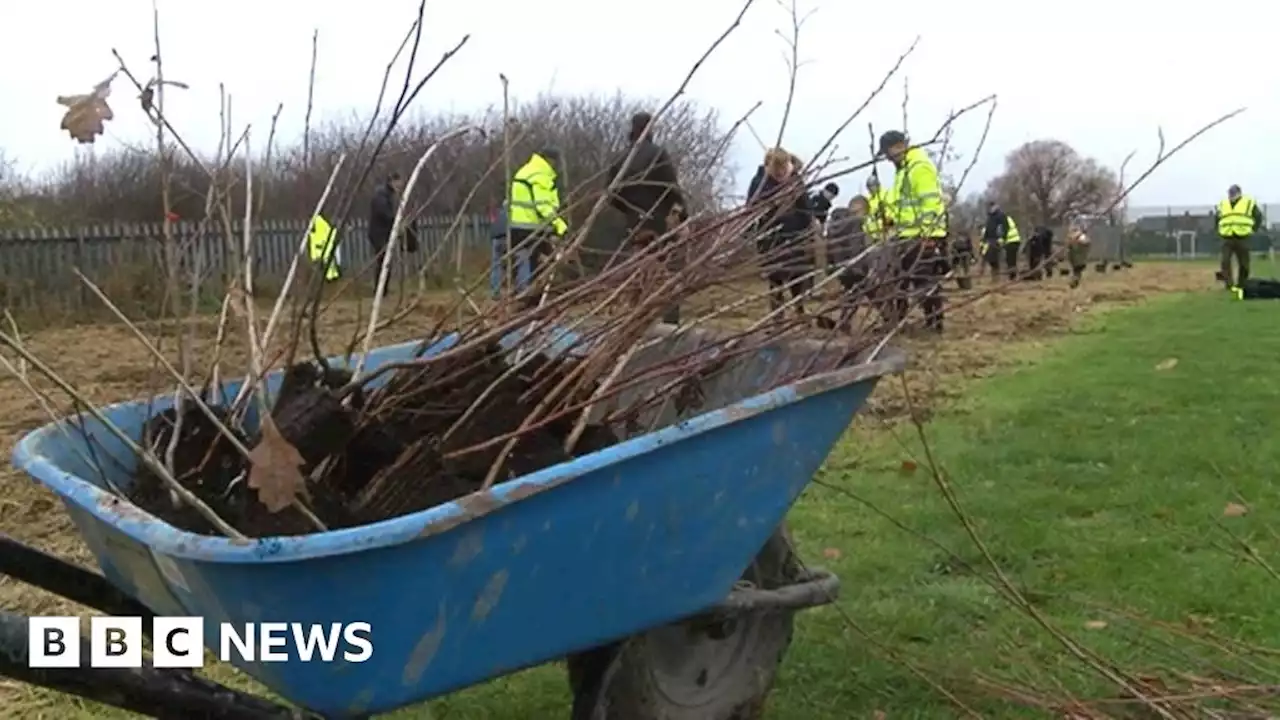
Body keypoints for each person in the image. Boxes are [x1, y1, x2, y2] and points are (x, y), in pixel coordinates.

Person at [608, 111, 687, 324]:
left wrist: (629, 209)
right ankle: (669, 321)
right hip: (659, 221)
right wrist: (682, 215)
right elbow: (671, 187)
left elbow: (610, 194)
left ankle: (634, 318)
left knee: (637, 271)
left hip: (634, 223)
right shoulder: (658, 154)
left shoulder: (621, 158)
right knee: (668, 271)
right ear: (650, 129)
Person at [880, 130, 949, 333]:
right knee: (899, 281)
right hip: (906, 235)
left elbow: (930, 203)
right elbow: (905, 205)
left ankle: (935, 324)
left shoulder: (919, 167)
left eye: (887, 152)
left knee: (924, 282)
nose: (886, 157)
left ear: (899, 146)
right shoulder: (903, 170)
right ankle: (898, 322)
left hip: (922, 236)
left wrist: (928, 235)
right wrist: (892, 220)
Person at [747, 148, 819, 317]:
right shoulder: (759, 182)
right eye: (776, 169)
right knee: (776, 278)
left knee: (797, 274)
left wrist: (809, 226)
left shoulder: (794, 180)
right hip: (772, 236)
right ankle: (777, 315)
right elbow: (751, 208)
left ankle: (799, 310)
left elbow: (806, 207)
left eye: (783, 168)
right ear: (769, 167)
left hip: (795, 235)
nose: (780, 172)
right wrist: (771, 202)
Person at [508, 148, 569, 302]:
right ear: (550, 160)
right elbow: (543, 206)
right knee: (542, 262)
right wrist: (559, 225)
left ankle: (523, 297)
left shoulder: (525, 171)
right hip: (533, 227)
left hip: (518, 225)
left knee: (523, 263)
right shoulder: (540, 175)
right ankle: (534, 297)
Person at [1213, 184, 1264, 293]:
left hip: (1243, 237)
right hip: (1227, 237)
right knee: (1225, 261)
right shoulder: (1223, 203)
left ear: (1239, 193)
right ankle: (1229, 284)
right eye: (1229, 193)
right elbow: (1217, 218)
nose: (1230, 195)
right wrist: (1218, 230)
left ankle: (1242, 284)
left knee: (1244, 263)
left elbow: (1258, 216)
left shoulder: (1249, 202)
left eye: (1233, 193)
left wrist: (1253, 229)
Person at [368, 172, 419, 267]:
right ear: (392, 182)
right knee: (383, 261)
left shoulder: (388, 195)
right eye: (398, 184)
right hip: (379, 233)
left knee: (386, 262)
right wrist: (396, 221)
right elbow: (384, 213)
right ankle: (381, 281)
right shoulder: (381, 195)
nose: (399, 187)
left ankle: (383, 280)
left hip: (383, 232)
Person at [307, 213, 341, 282]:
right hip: (322, 253)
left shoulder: (320, 227)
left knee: (329, 264)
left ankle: (331, 277)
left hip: (324, 252)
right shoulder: (315, 232)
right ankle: (331, 277)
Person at [1065, 222, 1092, 289]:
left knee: (1077, 271)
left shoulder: (1082, 237)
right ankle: (1074, 281)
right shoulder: (1075, 237)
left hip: (1079, 259)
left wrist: (1074, 241)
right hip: (1076, 259)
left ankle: (1074, 282)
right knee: (1076, 272)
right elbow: (1070, 244)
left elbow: (1085, 243)